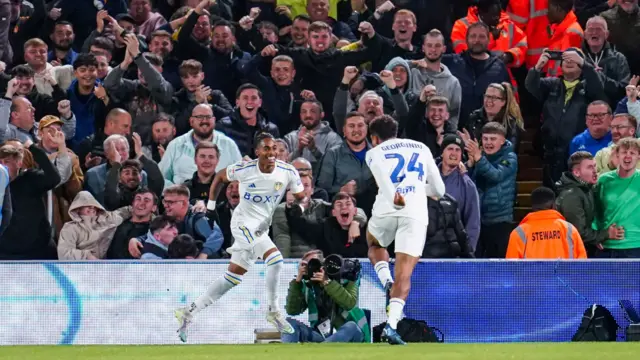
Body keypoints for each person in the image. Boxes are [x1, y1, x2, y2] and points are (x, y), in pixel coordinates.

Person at [174, 133, 307, 341]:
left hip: (261, 228)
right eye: (266, 149)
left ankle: (189, 311)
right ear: (257, 151)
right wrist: (210, 206)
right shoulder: (245, 170)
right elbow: (219, 177)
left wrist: (299, 206)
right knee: (275, 260)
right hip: (242, 224)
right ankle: (273, 311)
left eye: (275, 149)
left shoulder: (288, 171)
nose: (272, 153)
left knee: (232, 278)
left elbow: (302, 196)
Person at [365, 114, 445, 345]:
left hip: (387, 209)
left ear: (374, 138)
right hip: (415, 213)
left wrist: (395, 198)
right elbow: (439, 190)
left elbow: (384, 181)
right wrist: (418, 190)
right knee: (405, 274)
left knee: (373, 242)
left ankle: (385, 278)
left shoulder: (374, 152)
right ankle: (391, 327)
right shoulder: (421, 147)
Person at [281, 250, 368, 343]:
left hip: (350, 335)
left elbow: (350, 303)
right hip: (323, 336)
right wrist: (297, 281)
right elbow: (292, 310)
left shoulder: (346, 276)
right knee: (289, 324)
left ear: (323, 263)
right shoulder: (308, 285)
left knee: (351, 326)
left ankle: (319, 351)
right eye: (308, 266)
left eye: (315, 263)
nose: (313, 268)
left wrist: (327, 282)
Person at [506, 187, 587, 259]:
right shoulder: (569, 229)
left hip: (531, 276)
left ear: (533, 207)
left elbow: (512, 269)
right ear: (553, 205)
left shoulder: (518, 233)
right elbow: (582, 264)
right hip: (564, 276)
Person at [593, 137, 640, 258]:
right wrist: (597, 236)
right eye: (624, 152)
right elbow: (595, 210)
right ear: (617, 156)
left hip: (635, 246)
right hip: (606, 245)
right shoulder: (604, 180)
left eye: (632, 153)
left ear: (638, 157)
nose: (627, 156)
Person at [555, 151, 606, 257]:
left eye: (595, 166)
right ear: (577, 173)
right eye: (589, 167)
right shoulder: (572, 195)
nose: (595, 171)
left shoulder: (585, 188)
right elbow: (578, 232)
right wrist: (606, 234)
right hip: (570, 256)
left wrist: (595, 240)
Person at [57, 191, 132, 260]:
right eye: (87, 204)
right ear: (77, 209)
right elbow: (64, 253)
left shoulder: (108, 219)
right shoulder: (70, 228)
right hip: (82, 268)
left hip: (110, 265)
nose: (92, 207)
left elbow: (125, 212)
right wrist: (87, 256)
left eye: (93, 204)